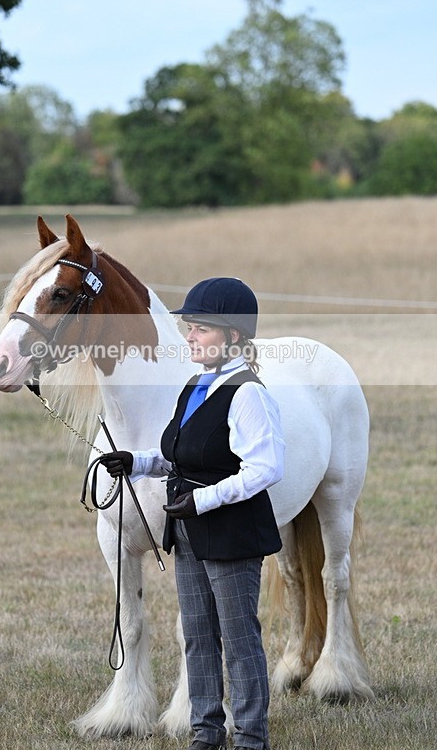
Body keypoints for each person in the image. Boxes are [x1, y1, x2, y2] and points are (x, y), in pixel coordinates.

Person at [100, 277, 285, 750]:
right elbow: (182, 456)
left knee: (239, 642)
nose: (190, 337)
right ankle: (206, 732)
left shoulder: (248, 394)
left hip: (231, 534)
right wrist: (137, 461)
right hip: (189, 531)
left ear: (234, 337)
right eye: (190, 328)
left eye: (201, 328)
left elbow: (266, 468)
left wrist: (201, 501)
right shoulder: (195, 386)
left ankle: (250, 737)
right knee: (198, 636)